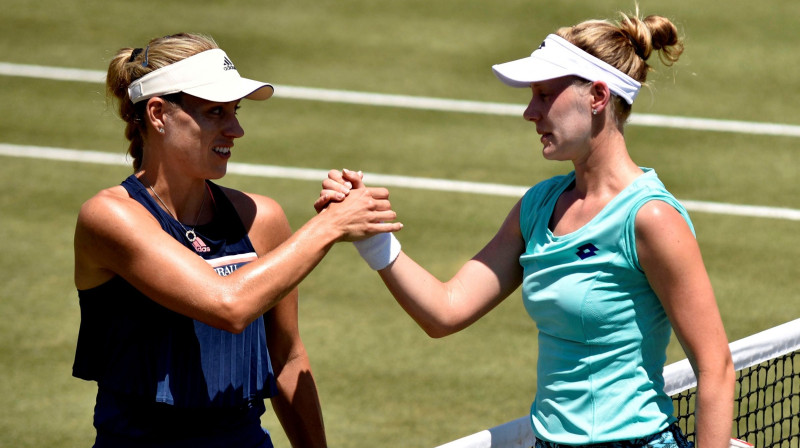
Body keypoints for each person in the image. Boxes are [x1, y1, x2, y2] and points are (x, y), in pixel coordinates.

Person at [316, 10, 735, 448]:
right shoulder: (537, 207)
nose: (529, 112)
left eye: (544, 95)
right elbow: (445, 310)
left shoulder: (650, 218)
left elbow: (716, 368)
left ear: (597, 96)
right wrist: (374, 237)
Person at [72, 33, 401, 448]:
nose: (236, 129)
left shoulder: (261, 219)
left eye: (235, 111)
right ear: (157, 114)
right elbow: (229, 306)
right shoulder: (110, 218)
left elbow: (287, 358)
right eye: (215, 112)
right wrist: (330, 225)